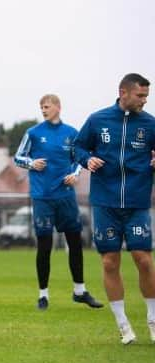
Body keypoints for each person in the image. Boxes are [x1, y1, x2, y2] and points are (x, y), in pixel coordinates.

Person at [74, 73, 155, 344]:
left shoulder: (150, 124)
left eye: (146, 95)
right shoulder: (98, 120)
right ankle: (123, 325)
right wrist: (88, 159)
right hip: (105, 202)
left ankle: (153, 319)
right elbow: (77, 147)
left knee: (143, 259)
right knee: (110, 262)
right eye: (140, 95)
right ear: (123, 92)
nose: (144, 100)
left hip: (137, 201)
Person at [14, 94, 103, 311]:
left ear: (58, 107)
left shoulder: (72, 133)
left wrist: (75, 174)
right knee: (44, 246)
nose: (43, 110)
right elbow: (18, 157)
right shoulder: (33, 133)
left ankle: (80, 291)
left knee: (75, 242)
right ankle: (43, 295)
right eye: (41, 107)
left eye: (46, 106)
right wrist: (31, 163)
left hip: (65, 197)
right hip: (42, 197)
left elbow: (78, 159)